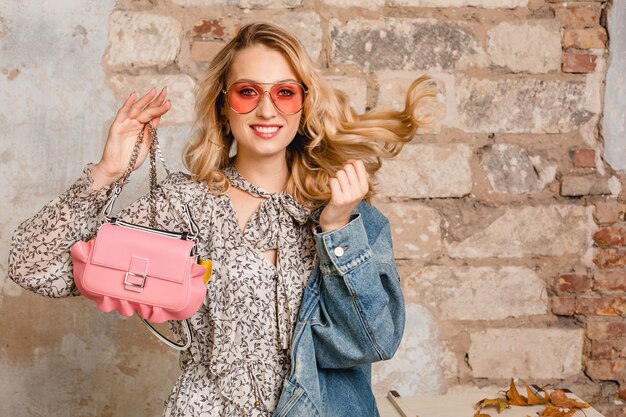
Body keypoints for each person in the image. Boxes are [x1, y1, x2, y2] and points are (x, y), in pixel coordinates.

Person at [8, 22, 435, 417]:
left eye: (285, 92)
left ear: (304, 105)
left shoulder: (349, 214)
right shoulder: (185, 205)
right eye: (248, 91)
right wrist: (107, 173)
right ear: (223, 106)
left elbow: (375, 340)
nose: (267, 110)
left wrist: (338, 231)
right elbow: (33, 267)